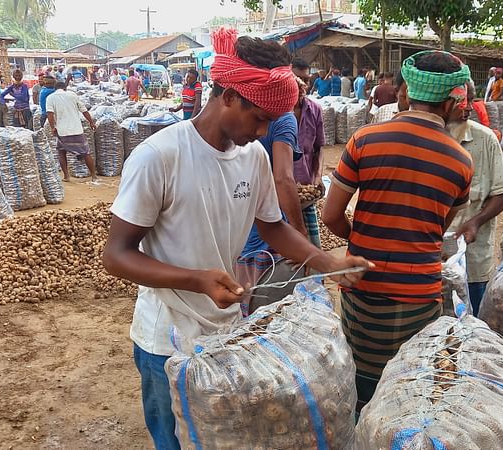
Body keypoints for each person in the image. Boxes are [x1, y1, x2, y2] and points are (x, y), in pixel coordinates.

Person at [102, 28, 371, 450]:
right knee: (173, 440)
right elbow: (116, 256)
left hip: (226, 331)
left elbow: (272, 227)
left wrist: (326, 261)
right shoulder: (159, 156)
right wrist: (197, 280)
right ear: (228, 95)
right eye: (259, 117)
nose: (264, 130)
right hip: (166, 340)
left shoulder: (254, 156)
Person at [321, 50, 473, 410]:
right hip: (418, 292)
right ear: (452, 103)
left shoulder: (365, 140)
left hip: (363, 282)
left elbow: (330, 216)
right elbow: (437, 230)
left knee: (360, 380)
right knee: (407, 386)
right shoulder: (461, 162)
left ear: (406, 94)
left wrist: (361, 238)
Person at [446, 80, 503, 314]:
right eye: (461, 102)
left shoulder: (485, 139)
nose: (469, 108)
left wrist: (475, 221)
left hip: (472, 258)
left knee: (472, 325)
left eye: (471, 101)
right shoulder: (424, 140)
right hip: (430, 259)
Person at [235, 91, 305, 316]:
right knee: (266, 309)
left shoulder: (233, 114)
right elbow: (283, 178)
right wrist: (299, 231)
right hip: (263, 232)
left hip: (235, 230)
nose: (261, 131)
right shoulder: (284, 118)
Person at [291, 74, 325, 248]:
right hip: (282, 190)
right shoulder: (276, 113)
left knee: (311, 243)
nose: (301, 87)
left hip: (306, 185)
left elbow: (319, 148)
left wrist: (318, 176)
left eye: (303, 84)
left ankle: (314, 274)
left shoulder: (315, 109)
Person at [46, 81, 98, 182]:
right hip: (77, 130)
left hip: (62, 131)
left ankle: (66, 176)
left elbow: (50, 114)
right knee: (85, 153)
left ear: (55, 88)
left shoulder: (51, 97)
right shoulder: (72, 95)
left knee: (61, 152)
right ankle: (93, 175)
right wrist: (91, 122)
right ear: (65, 88)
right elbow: (84, 110)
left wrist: (53, 127)